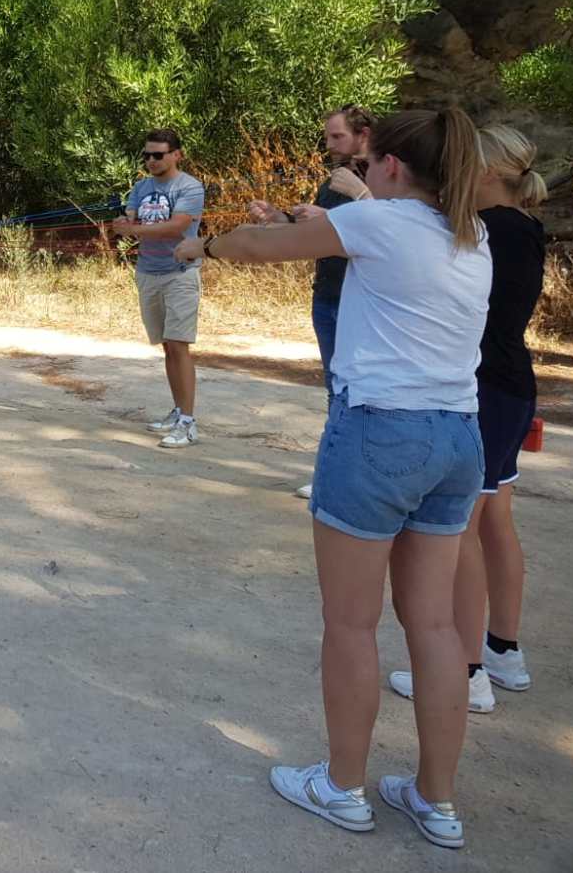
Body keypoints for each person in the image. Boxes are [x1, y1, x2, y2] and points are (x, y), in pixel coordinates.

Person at [177, 108, 489, 850]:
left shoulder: (378, 224)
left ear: (389, 168)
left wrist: (207, 245)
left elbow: (259, 246)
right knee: (436, 625)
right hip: (457, 438)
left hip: (380, 431)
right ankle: (436, 802)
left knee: (351, 622)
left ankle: (343, 786)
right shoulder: (470, 238)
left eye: (372, 159)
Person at [386, 124, 547, 713]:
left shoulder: (489, 230)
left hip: (486, 390)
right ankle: (503, 650)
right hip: (511, 385)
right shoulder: (522, 226)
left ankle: (467, 670)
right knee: (495, 520)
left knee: (462, 530)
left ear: (485, 171)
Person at [248, 105, 374, 496]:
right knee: (336, 387)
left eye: (337, 136)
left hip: (365, 301)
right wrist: (281, 218)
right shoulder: (335, 178)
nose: (330, 144)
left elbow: (394, 232)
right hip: (329, 295)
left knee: (364, 389)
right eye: (328, 136)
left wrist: (359, 196)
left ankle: (360, 474)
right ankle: (334, 470)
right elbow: (317, 233)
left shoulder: (388, 178)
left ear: (364, 135)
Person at [111, 129, 205, 447]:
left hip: (180, 273)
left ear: (176, 154)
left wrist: (135, 228)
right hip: (148, 272)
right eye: (147, 155)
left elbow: (178, 226)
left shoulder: (189, 186)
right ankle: (178, 410)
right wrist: (124, 226)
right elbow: (128, 221)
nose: (151, 161)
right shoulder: (140, 188)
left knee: (179, 344)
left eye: (158, 155)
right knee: (167, 345)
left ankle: (189, 423)